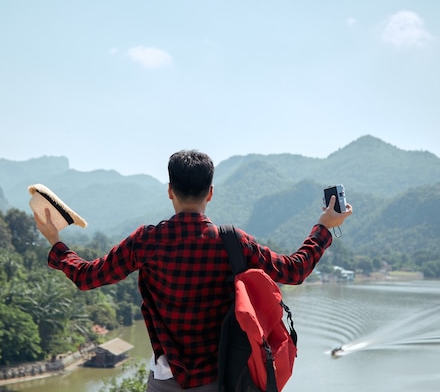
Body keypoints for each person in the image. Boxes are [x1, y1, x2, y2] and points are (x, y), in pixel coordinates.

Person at [33, 149, 353, 392]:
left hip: (166, 381)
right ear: (210, 192)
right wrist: (324, 227)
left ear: (170, 190)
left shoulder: (148, 240)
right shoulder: (234, 242)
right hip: (223, 379)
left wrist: (56, 242)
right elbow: (294, 271)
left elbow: (87, 277)